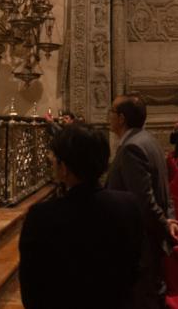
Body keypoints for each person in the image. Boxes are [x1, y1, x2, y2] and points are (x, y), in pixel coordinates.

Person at [19, 124, 142, 309]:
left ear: (64, 168)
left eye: (53, 158)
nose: (49, 160)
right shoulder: (129, 205)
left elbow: (32, 289)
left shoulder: (42, 217)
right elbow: (133, 270)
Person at [106, 95, 178, 308]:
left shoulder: (132, 147)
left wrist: (165, 223)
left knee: (144, 296)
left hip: (141, 241)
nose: (108, 116)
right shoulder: (149, 140)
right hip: (151, 236)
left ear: (121, 118)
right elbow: (165, 189)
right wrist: (169, 218)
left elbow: (144, 201)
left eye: (112, 111)